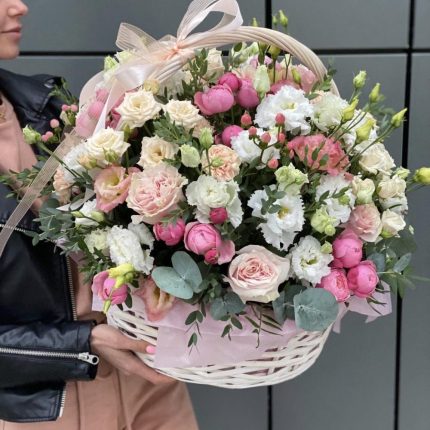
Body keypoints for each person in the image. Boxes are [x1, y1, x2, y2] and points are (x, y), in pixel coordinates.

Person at [0, 1, 199, 428]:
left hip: (150, 382)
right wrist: (81, 344)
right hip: (44, 407)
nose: (20, 7)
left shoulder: (46, 104)